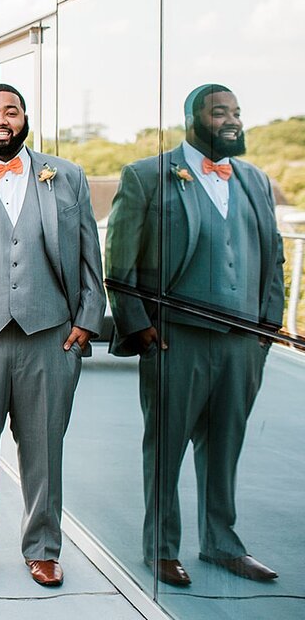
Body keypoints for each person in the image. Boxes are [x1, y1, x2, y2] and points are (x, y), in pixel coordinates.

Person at [106, 84, 283, 587]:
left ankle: (223, 545)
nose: (231, 119)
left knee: (226, 447)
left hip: (241, 343)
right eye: (219, 111)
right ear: (192, 118)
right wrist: (139, 328)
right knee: (165, 449)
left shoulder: (255, 179)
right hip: (175, 339)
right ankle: (160, 549)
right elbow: (119, 261)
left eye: (236, 111)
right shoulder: (146, 176)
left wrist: (266, 329)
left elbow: (274, 257)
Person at [0, 84, 105, 588]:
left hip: (48, 334)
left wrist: (86, 320)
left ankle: (43, 548)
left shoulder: (67, 176)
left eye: (10, 110)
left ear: (25, 117)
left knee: (43, 448)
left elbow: (87, 255)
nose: (0, 119)